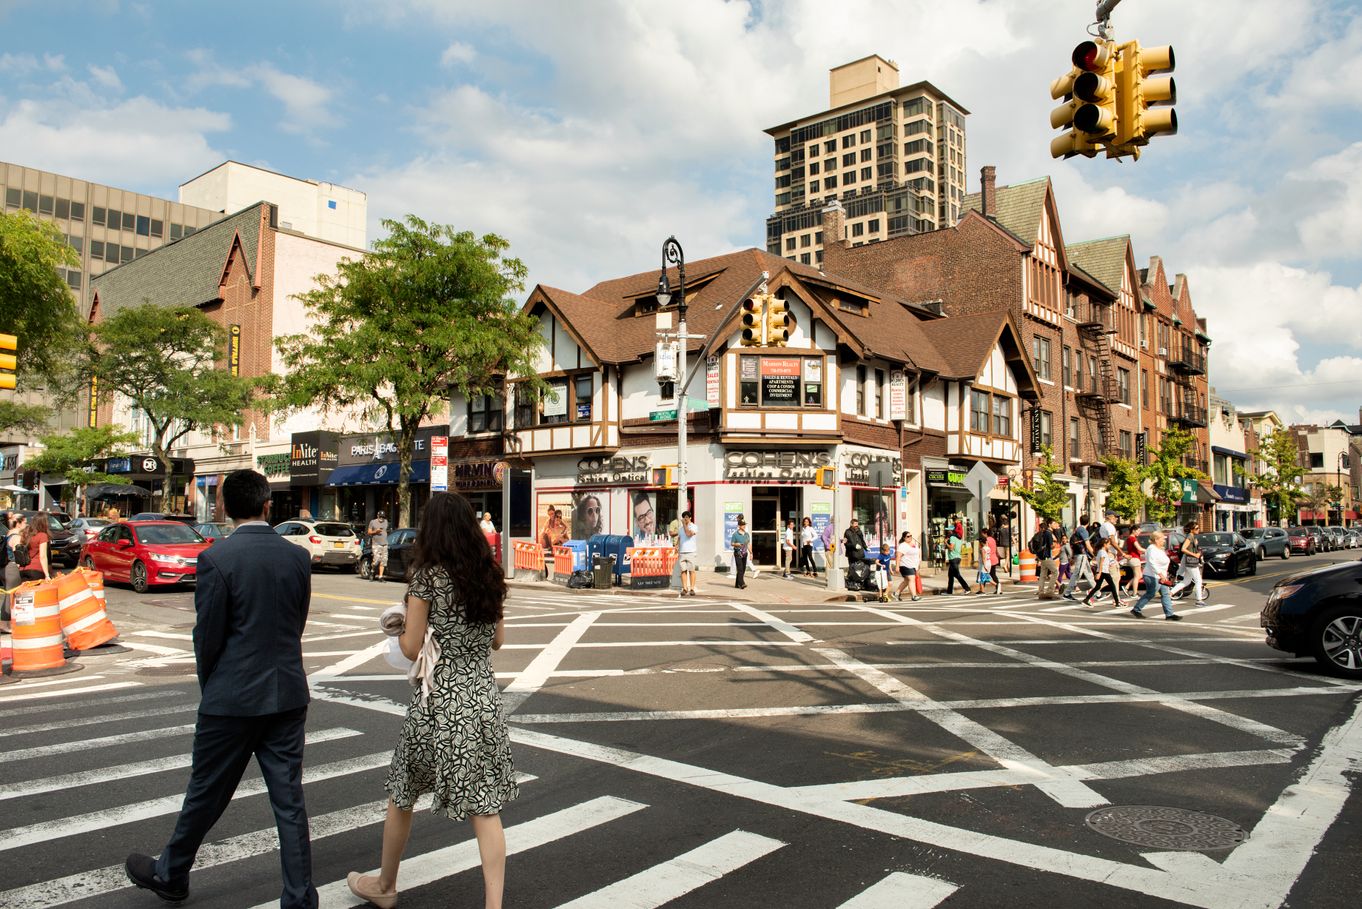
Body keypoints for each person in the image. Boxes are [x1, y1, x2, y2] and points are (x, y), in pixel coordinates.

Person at [125, 469, 318, 907]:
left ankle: (172, 872)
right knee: (289, 801)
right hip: (286, 691)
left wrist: (212, 685)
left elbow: (207, 636)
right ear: (268, 506)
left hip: (231, 696)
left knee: (206, 792)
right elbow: (296, 623)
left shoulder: (216, 559)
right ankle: (300, 897)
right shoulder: (297, 558)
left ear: (224, 508)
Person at [346, 492, 517, 909]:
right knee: (485, 807)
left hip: (437, 703)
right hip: (481, 700)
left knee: (403, 792)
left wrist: (403, 622)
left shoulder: (427, 579)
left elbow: (409, 648)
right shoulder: (489, 576)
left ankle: (386, 885)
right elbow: (497, 641)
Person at [1130, 530, 1181, 620]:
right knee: (1151, 593)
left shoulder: (1160, 550)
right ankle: (1136, 609)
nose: (1163, 541)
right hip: (1152, 576)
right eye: (1162, 539)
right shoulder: (1151, 549)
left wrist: (1165, 575)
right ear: (1156, 540)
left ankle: (1169, 614)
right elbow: (1152, 563)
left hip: (1162, 577)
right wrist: (1160, 574)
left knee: (1165, 594)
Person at [1169, 521, 1206, 603]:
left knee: (1186, 581)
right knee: (1198, 580)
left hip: (1189, 562)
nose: (1198, 529)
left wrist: (1195, 544)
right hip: (1191, 562)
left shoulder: (1192, 537)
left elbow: (1189, 548)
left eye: (1198, 528)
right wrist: (1195, 555)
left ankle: (1170, 593)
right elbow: (1183, 549)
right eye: (1196, 528)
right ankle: (1199, 600)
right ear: (1191, 529)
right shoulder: (1189, 536)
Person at [1083, 536, 1125, 607]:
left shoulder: (1101, 551)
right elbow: (1101, 563)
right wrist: (1099, 573)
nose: (1109, 546)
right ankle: (1117, 603)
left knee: (1097, 587)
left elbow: (1104, 562)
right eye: (1108, 544)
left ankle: (1086, 600)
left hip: (1102, 571)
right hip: (1103, 572)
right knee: (1113, 586)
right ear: (1104, 544)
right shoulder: (1102, 552)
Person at [1063, 515, 1096, 600]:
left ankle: (1097, 592)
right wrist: (1094, 555)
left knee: (1089, 574)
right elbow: (1088, 545)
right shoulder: (1083, 531)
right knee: (1077, 574)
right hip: (1082, 555)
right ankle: (1067, 593)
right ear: (1088, 522)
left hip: (1079, 554)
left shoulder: (1077, 529)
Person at [17, 512, 51, 582]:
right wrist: (47, 575)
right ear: (44, 523)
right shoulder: (42, 535)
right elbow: (43, 556)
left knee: (26, 592)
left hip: (23, 570)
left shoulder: (25, 533)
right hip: (36, 570)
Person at [1031, 519, 1059, 599]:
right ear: (1049, 525)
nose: (1055, 524)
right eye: (1054, 523)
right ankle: (1050, 591)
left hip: (1041, 556)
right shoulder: (1048, 533)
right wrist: (1055, 543)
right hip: (1046, 556)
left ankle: (1041, 592)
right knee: (1055, 572)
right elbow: (1050, 546)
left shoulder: (1044, 533)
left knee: (1042, 575)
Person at [894, 531, 921, 601]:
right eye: (908, 536)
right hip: (905, 565)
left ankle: (896, 593)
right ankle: (914, 596)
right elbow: (898, 556)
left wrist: (918, 566)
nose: (910, 537)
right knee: (911, 579)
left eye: (911, 536)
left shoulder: (914, 544)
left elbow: (917, 555)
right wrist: (897, 567)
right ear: (904, 538)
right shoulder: (903, 545)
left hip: (913, 566)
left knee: (906, 581)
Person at [678, 510, 698, 596]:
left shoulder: (694, 527)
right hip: (682, 552)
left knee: (691, 570)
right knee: (683, 571)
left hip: (691, 552)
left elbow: (688, 534)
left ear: (690, 518)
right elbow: (680, 538)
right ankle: (685, 588)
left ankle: (692, 588)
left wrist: (684, 525)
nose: (685, 519)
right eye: (684, 517)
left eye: (686, 517)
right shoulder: (681, 529)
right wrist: (676, 546)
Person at [944, 528, 971, 594]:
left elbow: (951, 548)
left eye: (948, 531)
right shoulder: (959, 538)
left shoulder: (952, 538)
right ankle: (949, 591)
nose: (948, 532)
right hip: (957, 557)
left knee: (957, 575)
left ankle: (967, 588)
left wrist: (945, 542)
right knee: (950, 575)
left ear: (952, 531)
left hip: (954, 558)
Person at [1122, 526, 1146, 597]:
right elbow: (1139, 548)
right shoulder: (1132, 538)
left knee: (1140, 575)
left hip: (1133, 558)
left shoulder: (1129, 538)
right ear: (1133, 530)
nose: (1139, 532)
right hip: (1134, 559)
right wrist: (1149, 550)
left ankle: (1126, 587)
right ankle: (1134, 593)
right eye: (1138, 531)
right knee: (1137, 576)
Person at [368, 510, 391, 582]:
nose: (382, 518)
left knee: (383, 561)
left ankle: (380, 577)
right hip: (376, 543)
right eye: (380, 516)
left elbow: (386, 531)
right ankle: (372, 571)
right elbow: (369, 532)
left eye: (383, 517)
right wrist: (375, 531)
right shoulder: (373, 522)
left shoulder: (386, 522)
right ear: (377, 516)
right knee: (376, 560)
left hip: (385, 544)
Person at [979, 527, 1002, 595]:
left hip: (989, 559)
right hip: (994, 558)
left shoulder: (986, 540)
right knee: (991, 574)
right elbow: (995, 549)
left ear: (984, 533)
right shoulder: (993, 539)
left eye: (982, 534)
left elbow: (985, 550)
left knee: (986, 574)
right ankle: (982, 589)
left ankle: (997, 586)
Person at [730, 516, 750, 589]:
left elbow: (748, 544)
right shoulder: (735, 534)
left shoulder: (747, 534)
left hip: (745, 553)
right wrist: (736, 544)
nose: (744, 526)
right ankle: (742, 583)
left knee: (743, 569)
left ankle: (737, 584)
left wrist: (751, 553)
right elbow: (732, 543)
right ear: (739, 526)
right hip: (738, 553)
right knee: (740, 568)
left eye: (744, 525)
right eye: (742, 525)